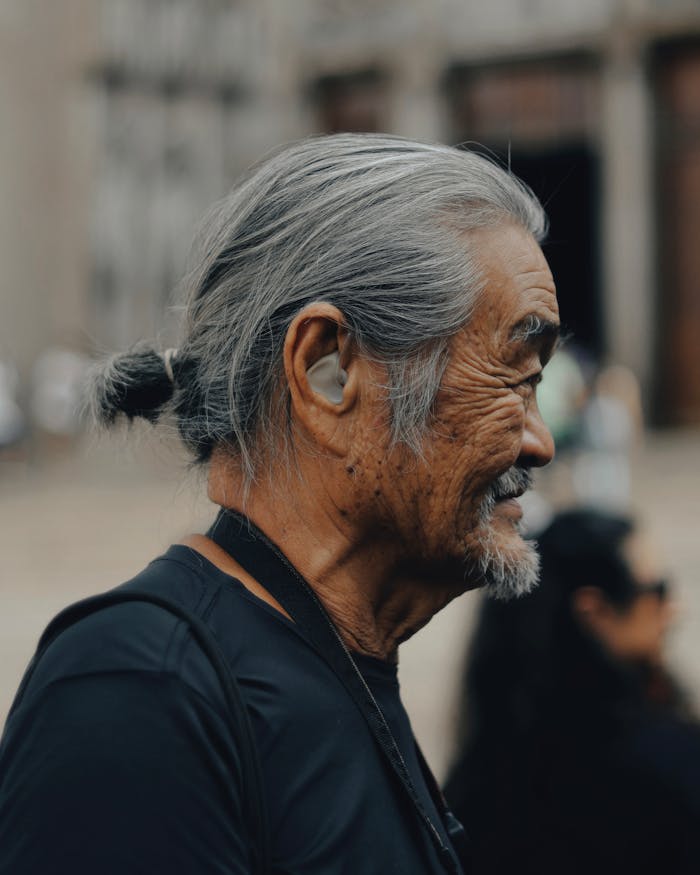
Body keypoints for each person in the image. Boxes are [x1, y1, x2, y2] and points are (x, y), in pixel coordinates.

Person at [0, 133, 559, 874]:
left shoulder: (337, 663)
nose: (541, 442)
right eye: (514, 377)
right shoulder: (141, 693)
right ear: (328, 372)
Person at [444, 508, 700, 875]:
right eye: (658, 590)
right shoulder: (671, 767)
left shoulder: (474, 787)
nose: (675, 608)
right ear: (596, 612)